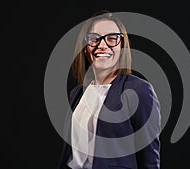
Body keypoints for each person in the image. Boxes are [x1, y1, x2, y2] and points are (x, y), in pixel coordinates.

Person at [58, 10, 161, 169]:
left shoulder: (139, 91)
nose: (102, 45)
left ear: (122, 46)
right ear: (86, 48)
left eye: (112, 38)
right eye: (94, 39)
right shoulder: (77, 94)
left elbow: (149, 160)